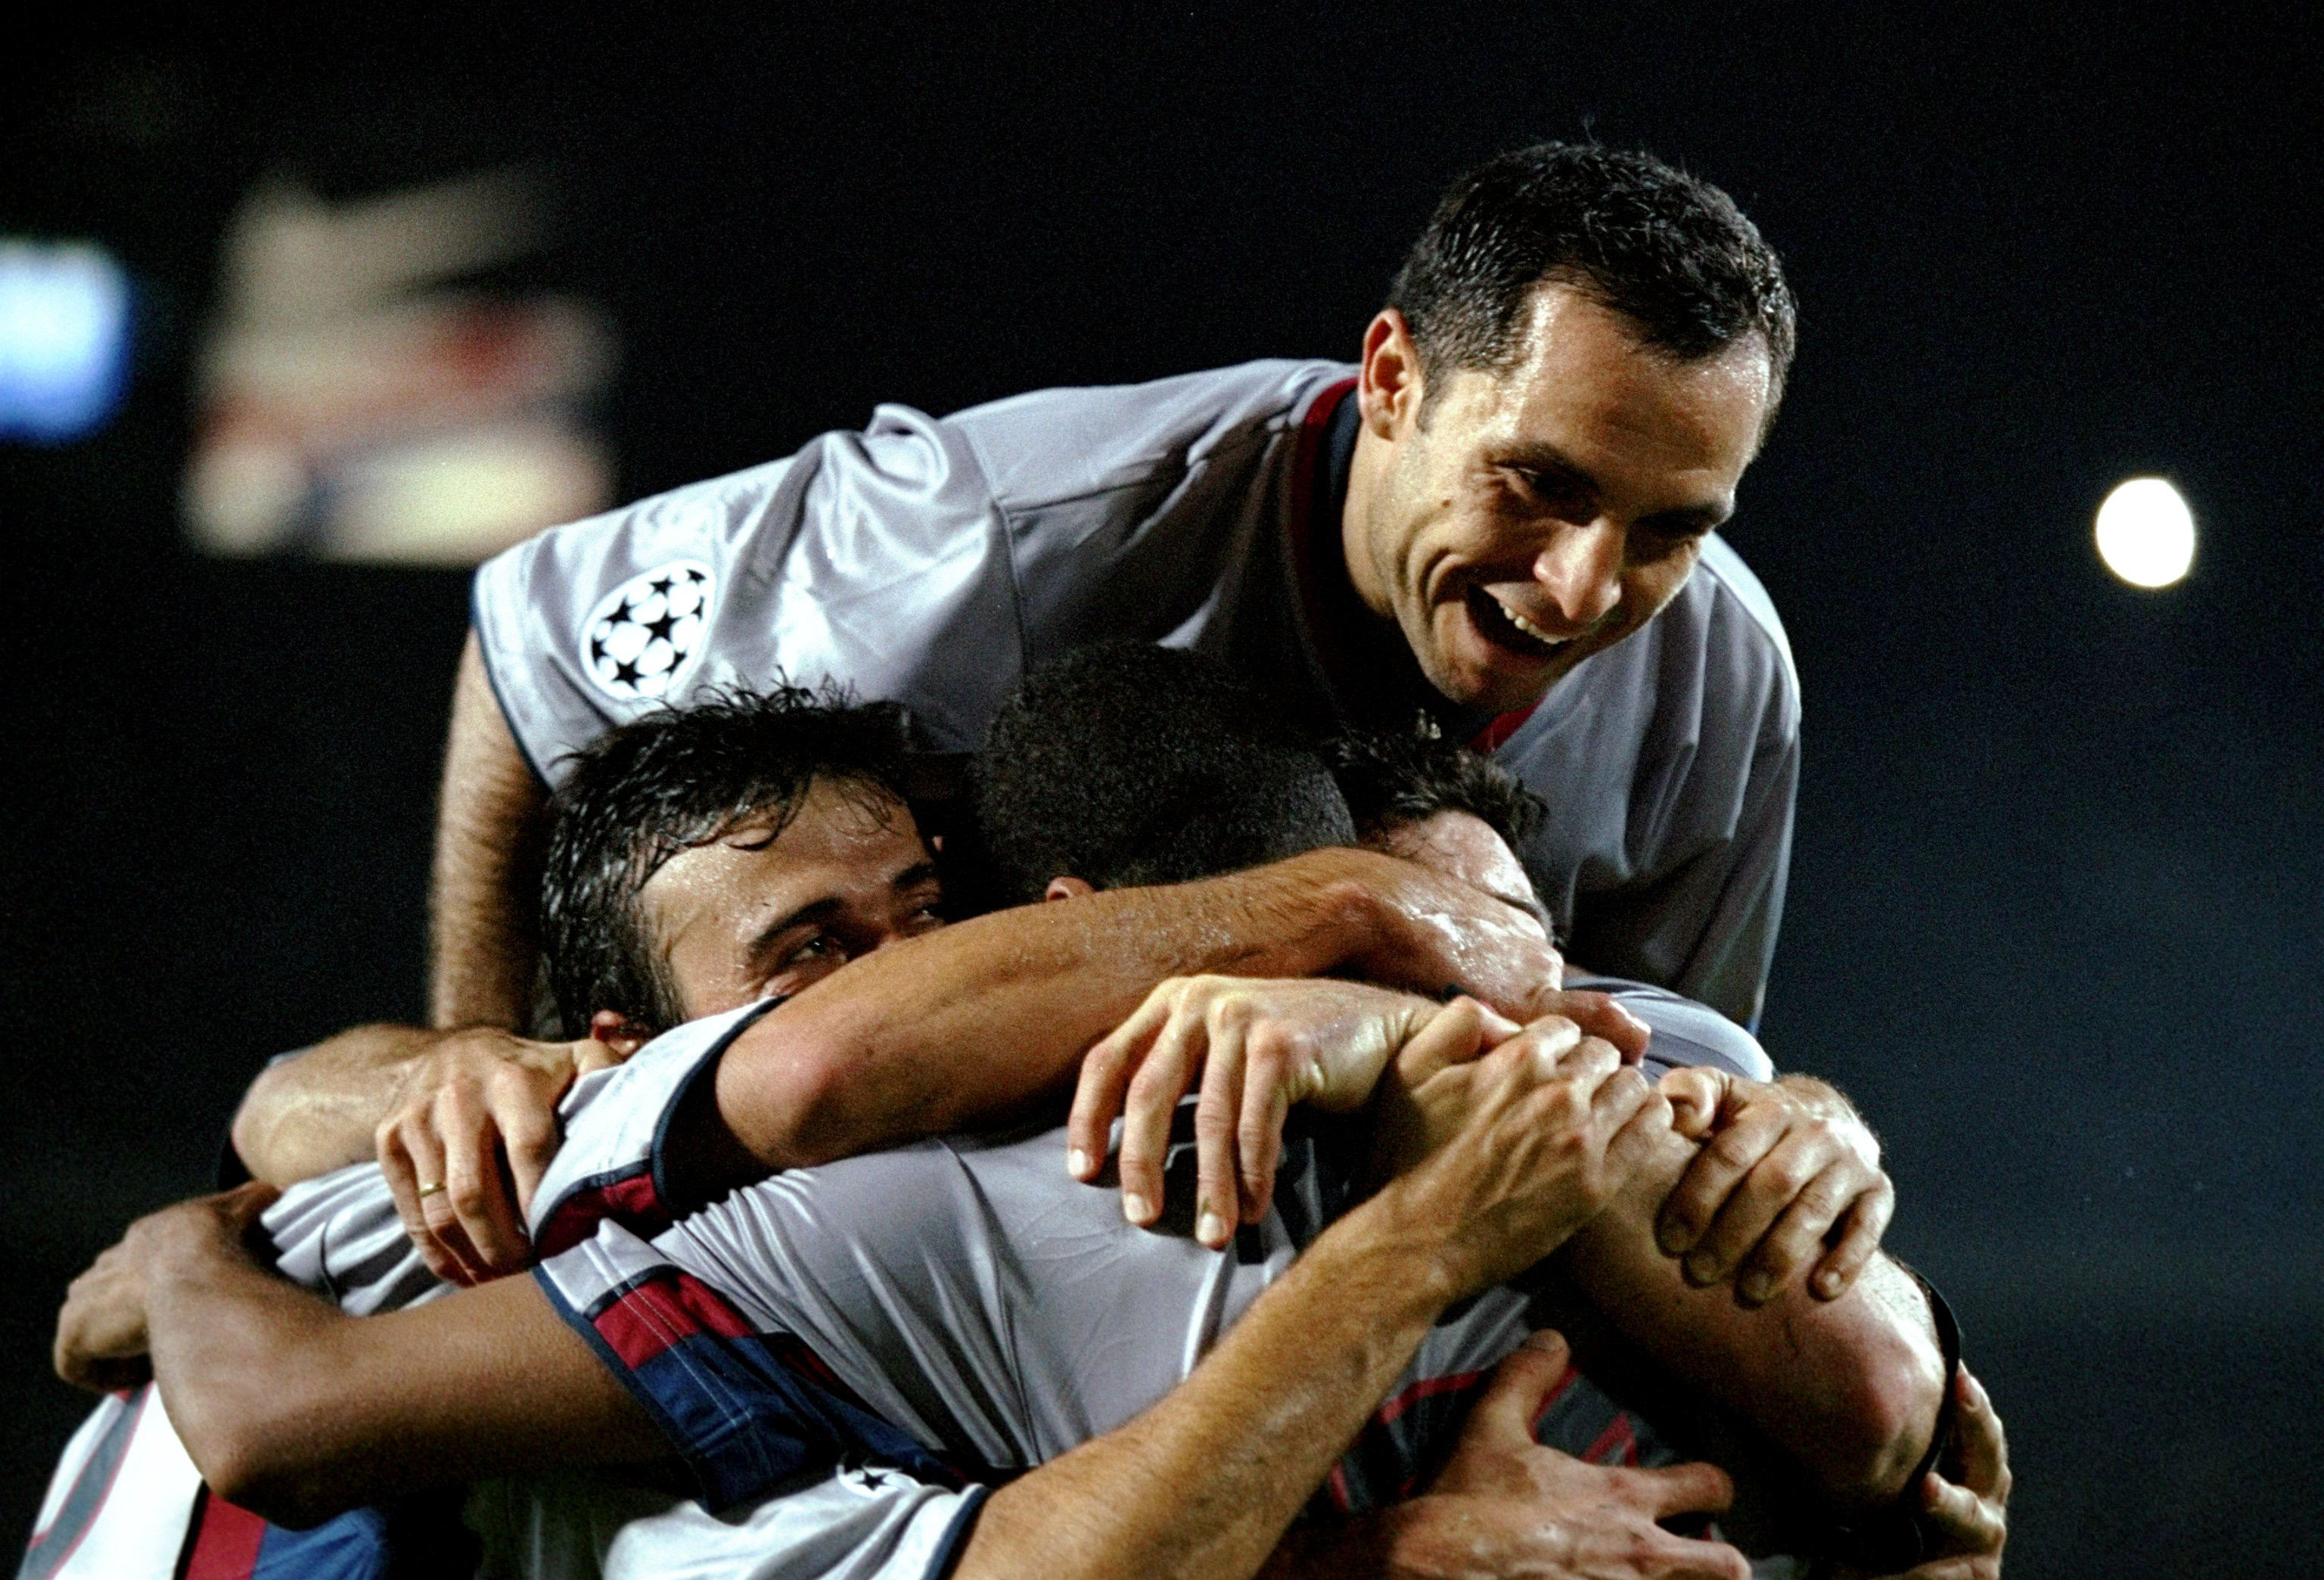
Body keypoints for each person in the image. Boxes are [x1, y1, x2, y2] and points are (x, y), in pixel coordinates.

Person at [51, 655, 1998, 1578]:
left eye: (929, 921)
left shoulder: (1540, 1061)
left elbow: (1877, 1410)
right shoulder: (746, 1170)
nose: (919, 980)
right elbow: (279, 1418)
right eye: (814, 941)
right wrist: (177, 1244)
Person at [331, 140, 1803, 1274]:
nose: (1583, 586)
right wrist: (484, 1054)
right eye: (1538, 484)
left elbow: (1659, 1104)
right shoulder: (1009, 534)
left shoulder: (1723, 689)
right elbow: (539, 633)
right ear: (1395, 379)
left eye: (1672, 526)